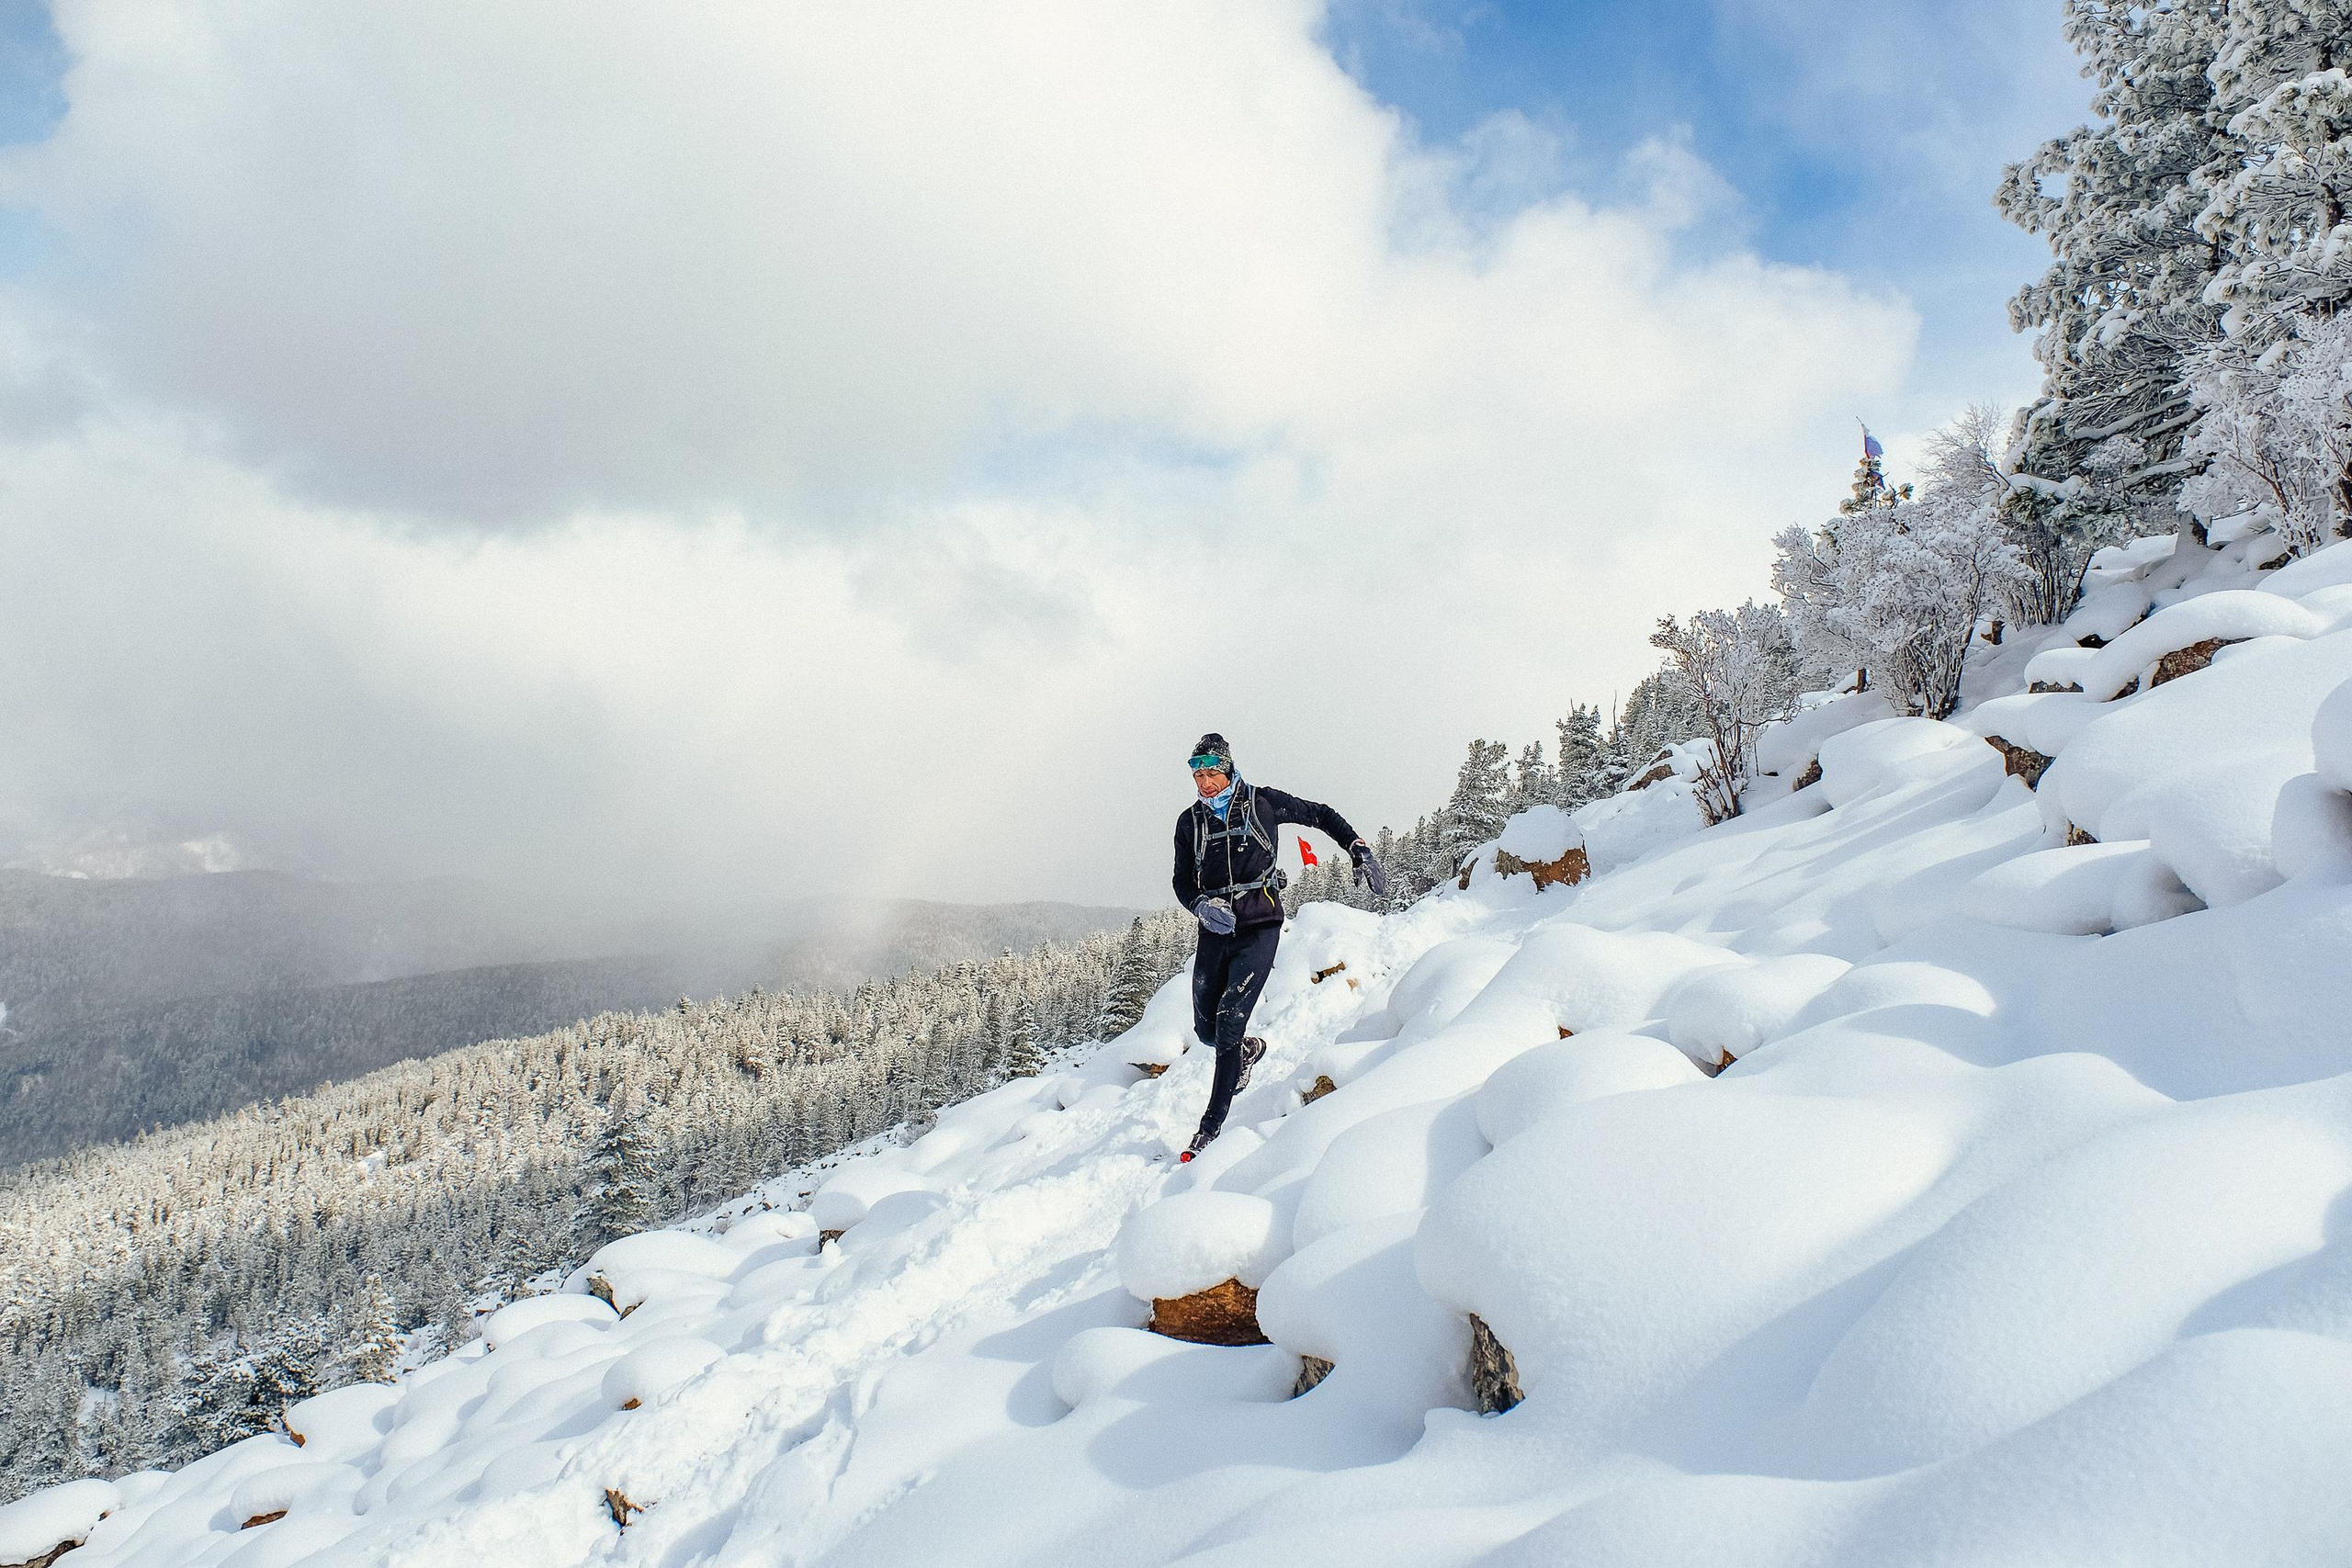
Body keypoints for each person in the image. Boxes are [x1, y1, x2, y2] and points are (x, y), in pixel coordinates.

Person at [1171, 732, 1388, 1162]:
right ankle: (1247, 1053)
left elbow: (1320, 815)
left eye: (1212, 771)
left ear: (1228, 768)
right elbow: (1181, 881)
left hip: (1260, 923)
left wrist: (1356, 846)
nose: (1205, 782)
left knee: (1231, 1020)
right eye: (1198, 774)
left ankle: (1209, 1129)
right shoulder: (1189, 822)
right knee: (1207, 1031)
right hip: (1216, 929)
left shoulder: (1262, 802)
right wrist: (1200, 905)